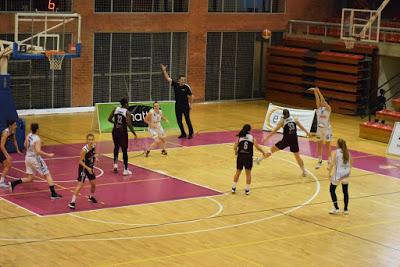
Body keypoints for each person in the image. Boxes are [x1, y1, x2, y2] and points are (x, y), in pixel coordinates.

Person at [9, 123, 62, 199]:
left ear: (31, 129)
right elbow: (38, 151)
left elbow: (25, 145)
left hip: (28, 158)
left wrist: (33, 146)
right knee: (47, 174)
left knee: (30, 178)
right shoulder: (37, 139)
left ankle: (13, 183)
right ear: (37, 129)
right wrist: (48, 155)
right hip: (35, 159)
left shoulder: (29, 135)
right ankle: (53, 194)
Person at [261, 109, 310, 177]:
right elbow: (301, 126)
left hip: (286, 140)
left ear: (283, 115)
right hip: (294, 140)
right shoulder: (294, 119)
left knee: (271, 150)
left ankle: (260, 159)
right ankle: (304, 171)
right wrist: (307, 132)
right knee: (297, 156)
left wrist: (266, 138)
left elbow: (274, 131)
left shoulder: (282, 121)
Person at [160, 64, 194, 139]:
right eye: (182, 80)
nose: (183, 81)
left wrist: (190, 105)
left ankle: (191, 133)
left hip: (185, 106)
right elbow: (168, 78)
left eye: (184, 80)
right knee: (179, 120)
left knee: (187, 120)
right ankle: (183, 133)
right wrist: (164, 70)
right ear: (179, 80)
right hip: (178, 106)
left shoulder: (186, 87)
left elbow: (191, 96)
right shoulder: (175, 84)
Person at [232, 124, 267, 195]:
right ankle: (247, 190)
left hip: (240, 156)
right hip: (248, 157)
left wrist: (236, 151)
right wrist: (263, 152)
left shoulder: (240, 137)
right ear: (249, 130)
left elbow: (235, 147)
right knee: (248, 174)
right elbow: (257, 147)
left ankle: (233, 188)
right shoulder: (252, 137)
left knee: (238, 172)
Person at [108, 97, 137, 176]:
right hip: (122, 133)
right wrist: (134, 133)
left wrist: (115, 123)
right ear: (126, 104)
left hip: (115, 131)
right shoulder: (127, 112)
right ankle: (125, 170)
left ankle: (115, 165)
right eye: (128, 103)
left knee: (116, 147)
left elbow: (109, 119)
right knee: (124, 150)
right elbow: (129, 124)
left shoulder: (115, 109)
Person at [69, 133, 98, 209]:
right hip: (84, 168)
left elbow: (94, 153)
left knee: (93, 184)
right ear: (86, 140)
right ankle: (72, 202)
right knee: (80, 185)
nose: (91, 141)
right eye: (89, 140)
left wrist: (96, 157)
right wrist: (88, 168)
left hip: (90, 168)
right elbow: (80, 161)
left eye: (92, 139)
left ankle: (90, 197)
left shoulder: (94, 146)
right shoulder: (84, 150)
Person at [308, 87, 333, 169]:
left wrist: (318, 91)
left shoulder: (328, 109)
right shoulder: (319, 109)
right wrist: (315, 91)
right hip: (320, 130)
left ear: (326, 103)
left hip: (327, 130)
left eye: (323, 102)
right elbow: (317, 100)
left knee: (328, 146)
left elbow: (322, 100)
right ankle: (319, 160)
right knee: (319, 145)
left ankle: (329, 162)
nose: (321, 103)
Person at [328, 138, 352, 215]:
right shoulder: (348, 152)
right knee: (345, 192)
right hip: (346, 173)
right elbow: (351, 163)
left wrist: (329, 171)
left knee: (332, 190)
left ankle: (336, 208)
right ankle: (345, 209)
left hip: (338, 173)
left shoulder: (335, 152)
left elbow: (332, 163)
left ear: (338, 144)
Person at [0, 120, 22, 188]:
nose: (16, 126)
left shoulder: (12, 131)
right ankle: (1, 182)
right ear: (10, 125)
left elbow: (14, 140)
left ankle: (1, 180)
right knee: (8, 164)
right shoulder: (5, 133)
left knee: (6, 164)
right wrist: (7, 155)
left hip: (2, 149)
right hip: (1, 148)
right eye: (15, 125)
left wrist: (17, 150)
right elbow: (1, 145)